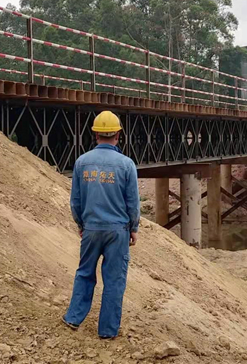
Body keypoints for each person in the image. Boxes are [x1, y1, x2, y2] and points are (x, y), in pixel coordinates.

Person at [62, 110, 140, 339]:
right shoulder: (126, 165)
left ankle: (74, 318)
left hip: (91, 228)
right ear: (117, 134)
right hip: (118, 231)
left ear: (95, 135)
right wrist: (134, 228)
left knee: (85, 273)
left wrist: (81, 223)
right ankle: (107, 331)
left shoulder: (81, 162)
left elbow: (75, 200)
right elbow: (133, 203)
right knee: (114, 280)